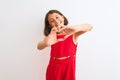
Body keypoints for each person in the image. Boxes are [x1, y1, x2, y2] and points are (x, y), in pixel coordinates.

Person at [37, 9, 93, 80]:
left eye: (57, 17)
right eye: (52, 21)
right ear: (50, 25)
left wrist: (76, 28)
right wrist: (45, 43)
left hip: (69, 67)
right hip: (54, 67)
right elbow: (39, 46)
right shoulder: (51, 36)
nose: (56, 21)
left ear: (62, 17)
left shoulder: (73, 33)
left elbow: (90, 27)